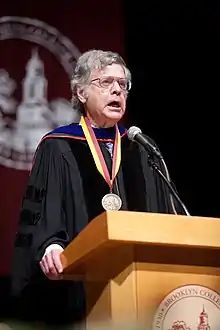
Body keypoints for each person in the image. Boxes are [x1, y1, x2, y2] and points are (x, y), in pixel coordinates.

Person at [10, 49, 185, 328]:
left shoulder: (141, 149)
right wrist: (50, 245)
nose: (117, 89)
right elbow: (42, 210)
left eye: (122, 84)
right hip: (77, 295)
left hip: (141, 294)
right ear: (80, 93)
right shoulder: (58, 145)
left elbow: (165, 216)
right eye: (105, 82)